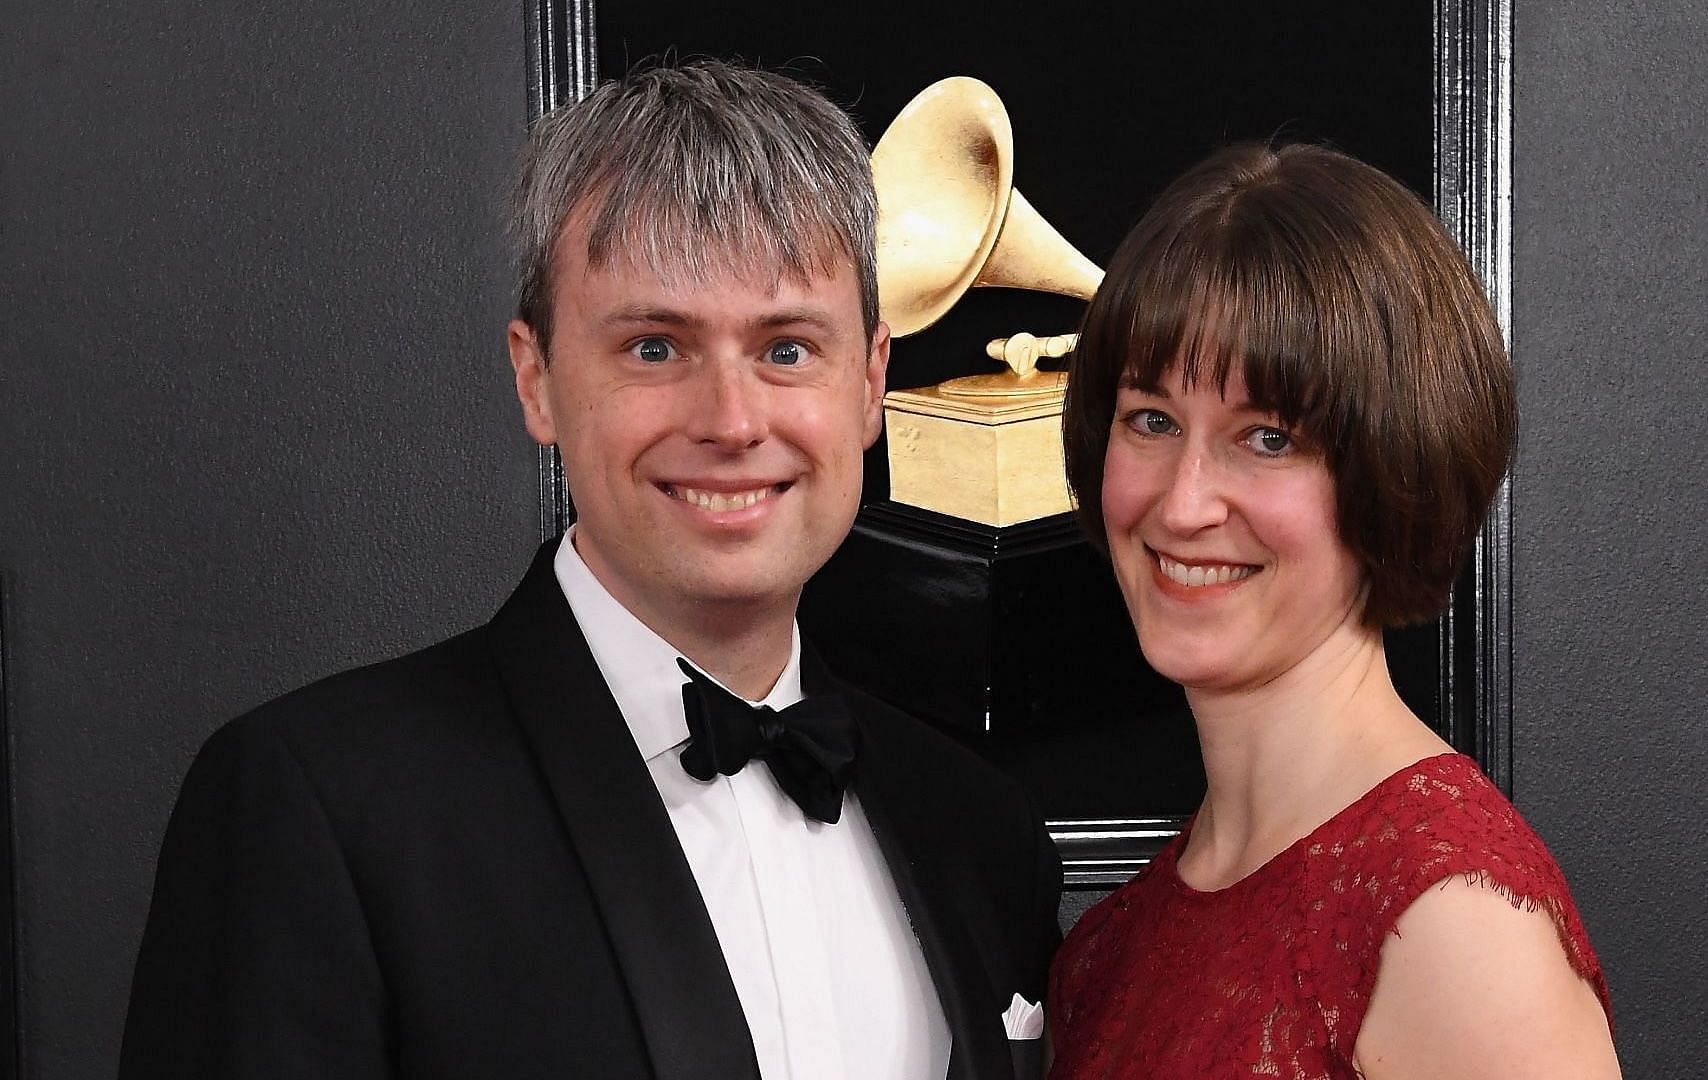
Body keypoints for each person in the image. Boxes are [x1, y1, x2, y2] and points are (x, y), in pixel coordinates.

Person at [120, 61, 1060, 1080]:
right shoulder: (315, 807)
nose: (732, 421)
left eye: (787, 350)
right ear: (537, 380)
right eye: (656, 348)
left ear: (870, 383)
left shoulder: (979, 830)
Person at [1047, 142, 1619, 1079]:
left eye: (1266, 438)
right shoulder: (1118, 941)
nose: (1184, 504)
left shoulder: (1456, 928)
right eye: (1151, 420)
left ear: (1394, 475)